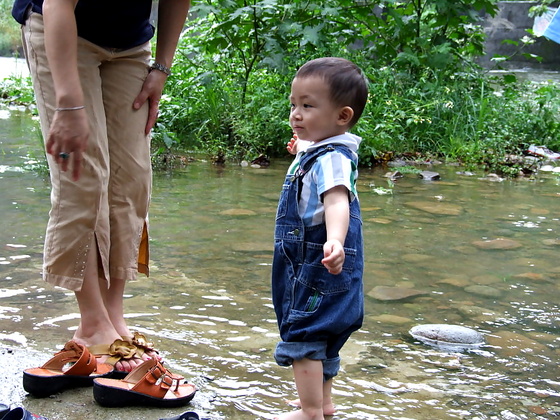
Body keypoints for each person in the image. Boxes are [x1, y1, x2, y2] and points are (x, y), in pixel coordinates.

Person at [11, 0, 190, 375]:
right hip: (61, 27)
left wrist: (161, 67)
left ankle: (113, 318)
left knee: (132, 179)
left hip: (129, 43)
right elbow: (58, 5)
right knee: (83, 176)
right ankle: (92, 323)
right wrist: (68, 105)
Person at [271, 57, 368, 420]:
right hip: (318, 253)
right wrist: (301, 150)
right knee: (324, 328)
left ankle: (310, 411)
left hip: (316, 253)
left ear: (342, 116)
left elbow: (337, 200)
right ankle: (323, 404)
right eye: (294, 104)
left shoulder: (332, 159)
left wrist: (336, 240)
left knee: (305, 329)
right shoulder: (323, 149)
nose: (296, 114)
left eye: (308, 106)